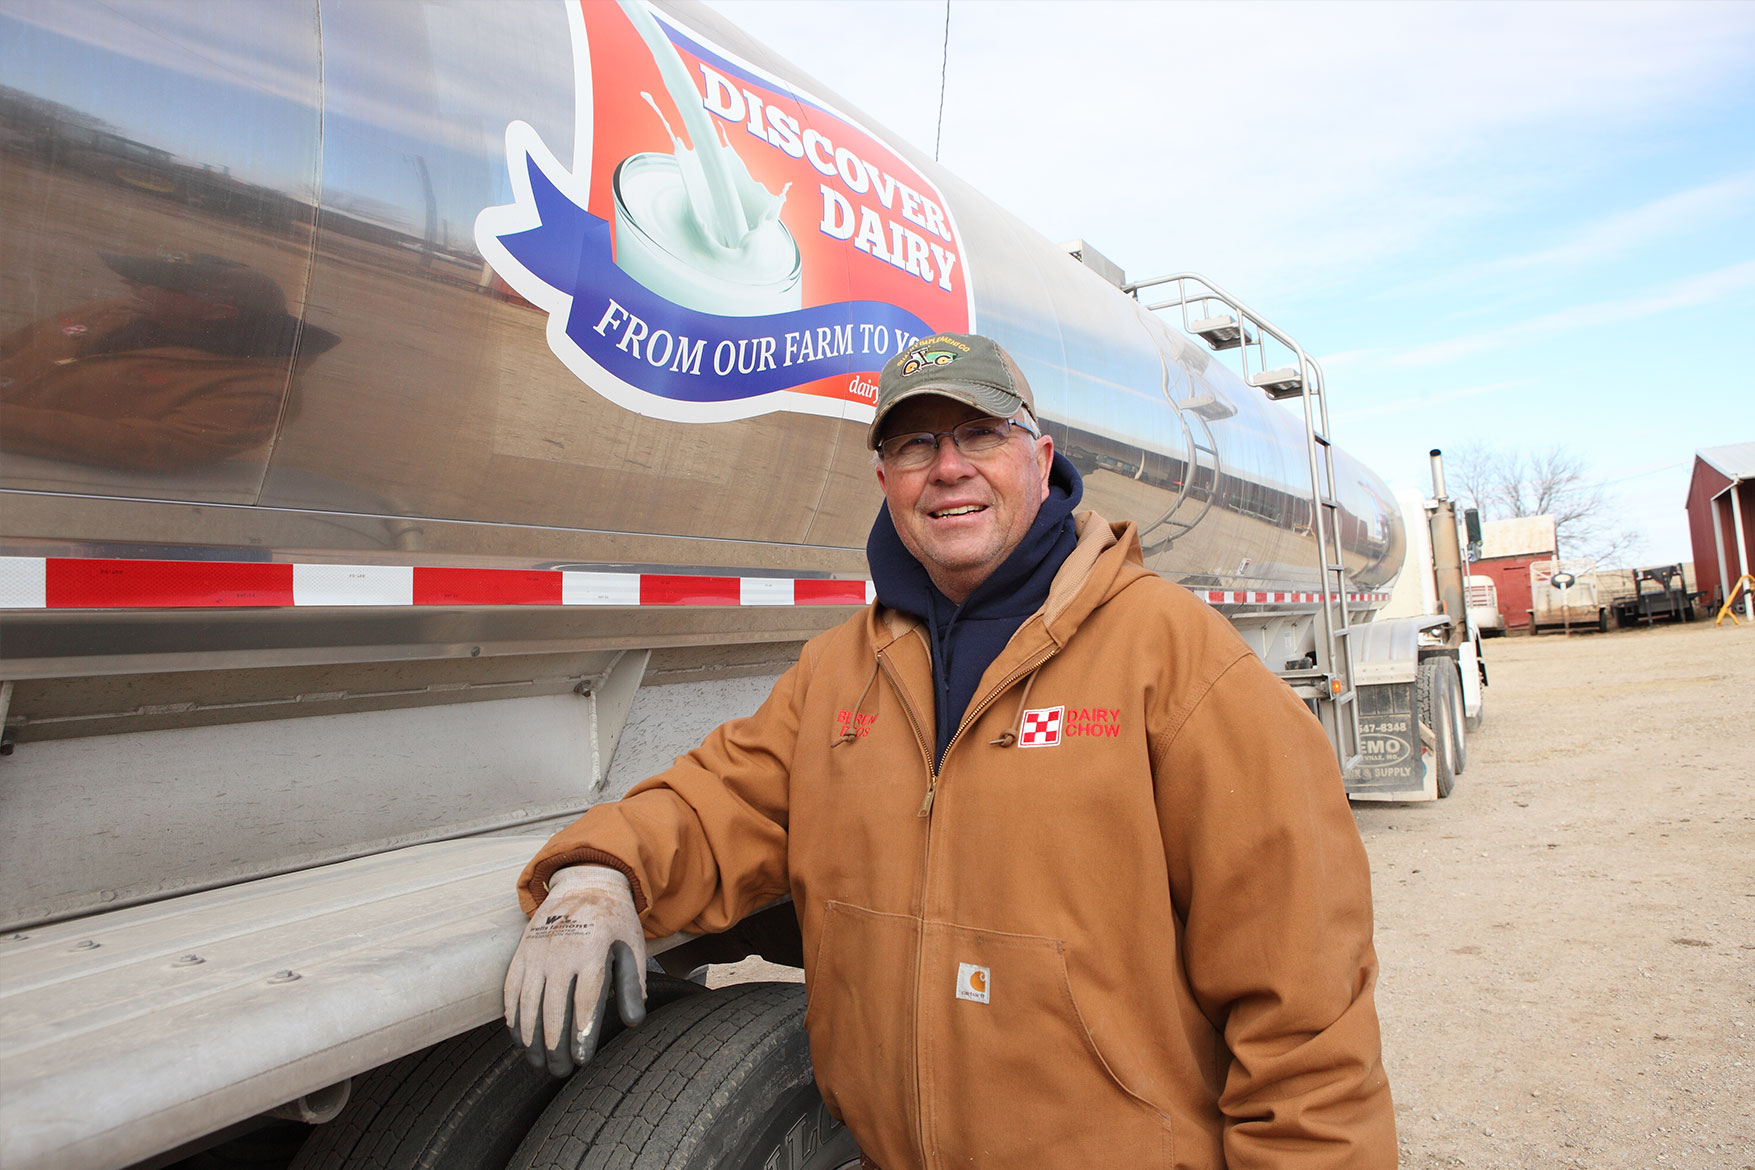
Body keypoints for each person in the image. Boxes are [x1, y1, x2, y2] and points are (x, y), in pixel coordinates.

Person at [505, 331, 1396, 1168]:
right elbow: (720, 803)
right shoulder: (841, 671)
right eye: (914, 445)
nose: (948, 468)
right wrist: (596, 874)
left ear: (1040, 460)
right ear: (885, 478)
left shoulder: (1175, 659)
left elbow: (1303, 1003)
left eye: (979, 433)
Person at [0, 251, 336, 471]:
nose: (131, 283)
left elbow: (154, 448)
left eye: (157, 283)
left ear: (220, 312)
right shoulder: (116, 311)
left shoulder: (262, 390)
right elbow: (11, 348)